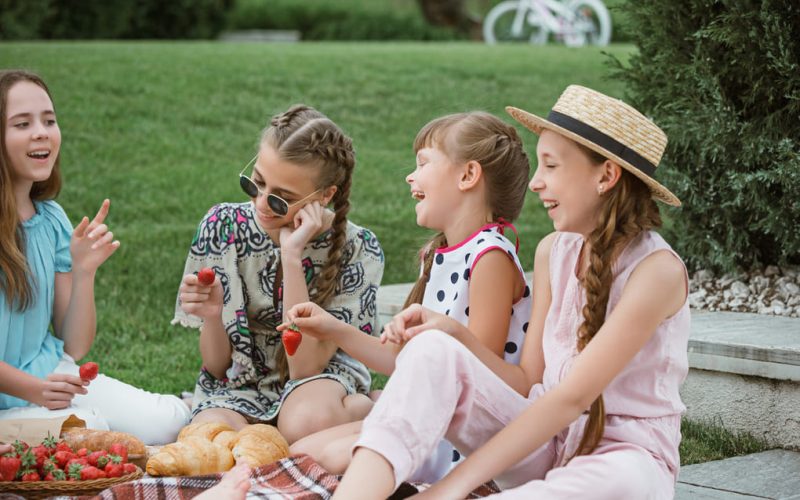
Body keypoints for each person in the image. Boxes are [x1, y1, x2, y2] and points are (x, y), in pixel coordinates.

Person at [329, 85, 690, 499]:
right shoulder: (553, 251)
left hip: (624, 458)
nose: (535, 182)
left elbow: (572, 400)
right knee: (432, 349)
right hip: (544, 443)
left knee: (619, 481)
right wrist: (451, 332)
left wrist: (447, 489)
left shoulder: (655, 272)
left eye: (551, 166)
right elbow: (526, 381)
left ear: (606, 176)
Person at [283, 111, 532, 479]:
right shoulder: (442, 254)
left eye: (423, 163)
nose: (410, 176)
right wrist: (331, 328)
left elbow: (481, 377)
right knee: (299, 452)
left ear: (468, 176)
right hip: (429, 415)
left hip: (460, 438)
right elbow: (402, 360)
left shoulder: (489, 257)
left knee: (323, 461)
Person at [173, 105, 384, 444]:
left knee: (303, 425)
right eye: (255, 183)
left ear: (326, 196)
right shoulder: (222, 226)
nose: (261, 203)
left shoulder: (359, 248)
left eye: (282, 200)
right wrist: (213, 317)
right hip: (241, 386)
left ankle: (365, 407)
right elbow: (216, 367)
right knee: (211, 438)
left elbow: (305, 368)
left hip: (319, 381)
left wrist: (291, 255)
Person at [0, 70, 190, 445]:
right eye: (22, 124)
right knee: (92, 432)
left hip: (51, 376)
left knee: (168, 424)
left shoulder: (51, 219)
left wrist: (84, 271)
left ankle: (196, 405)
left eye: (49, 121)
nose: (42, 132)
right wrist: (34, 390)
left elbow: (75, 345)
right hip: (28, 389)